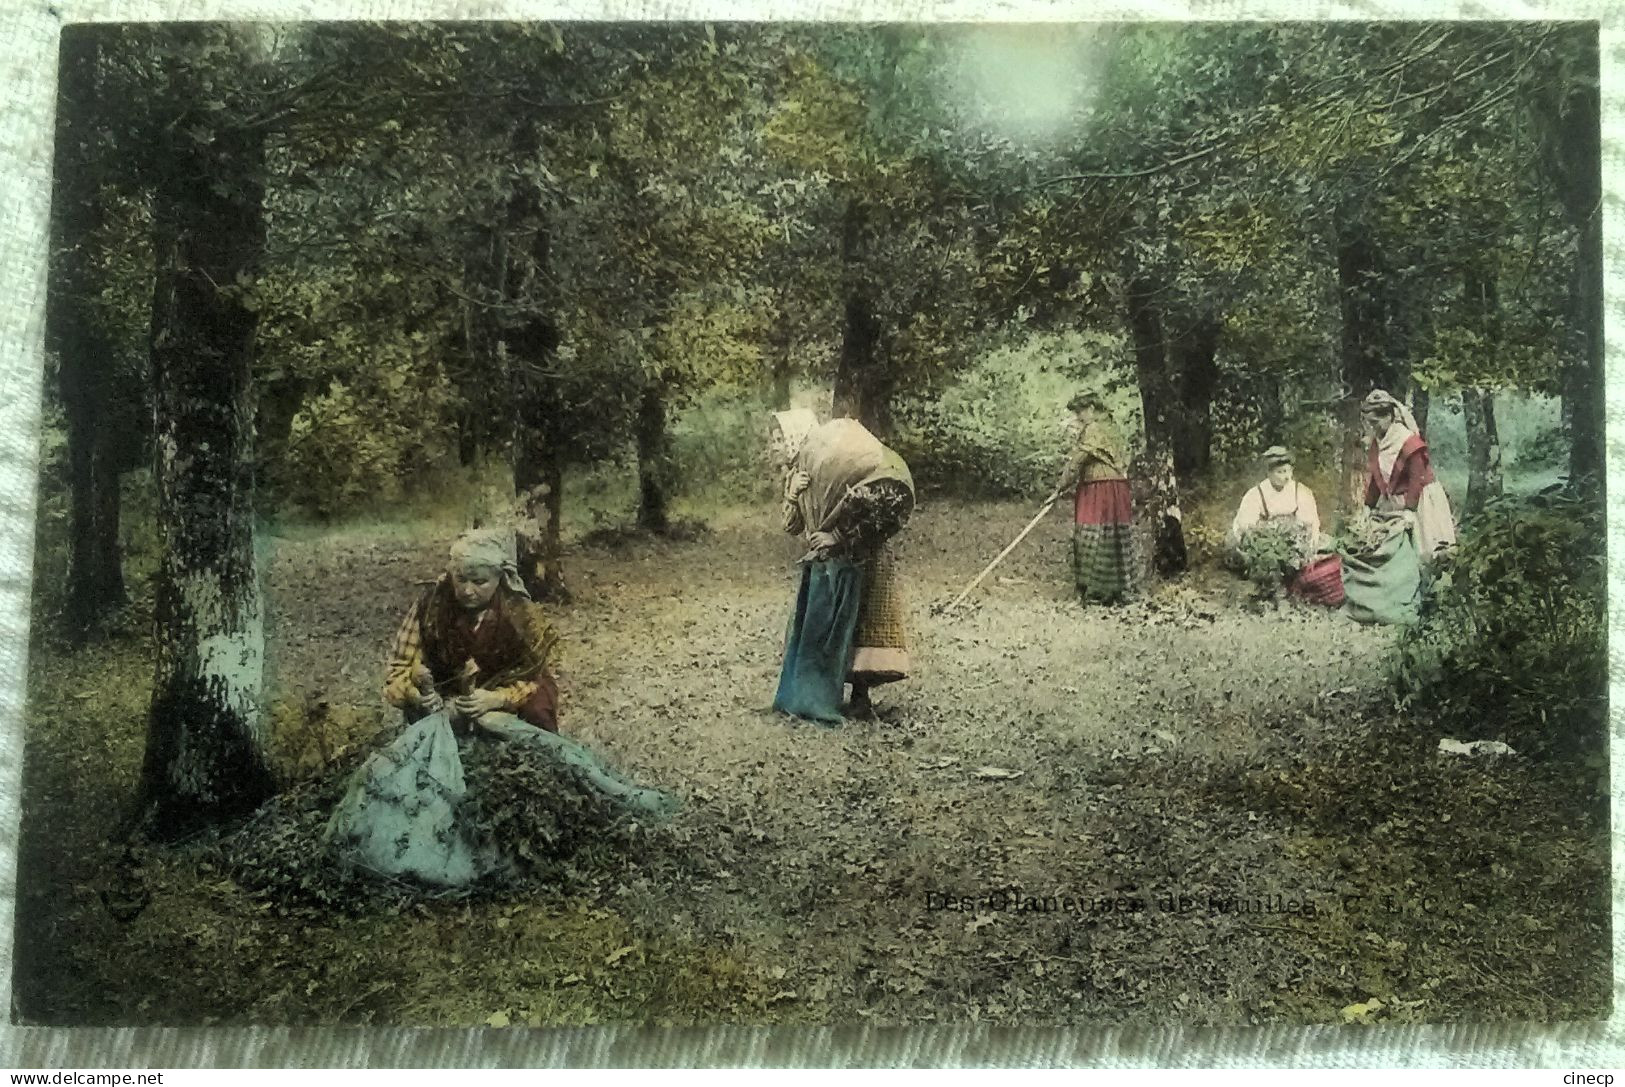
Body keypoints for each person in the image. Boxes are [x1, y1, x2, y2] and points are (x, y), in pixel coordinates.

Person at [771, 409, 915, 723]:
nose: (775, 444)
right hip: (825, 563)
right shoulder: (799, 473)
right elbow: (791, 526)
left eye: (780, 437)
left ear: (797, 437)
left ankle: (860, 699)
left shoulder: (834, 465)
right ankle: (821, 692)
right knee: (829, 626)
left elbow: (869, 505)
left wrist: (838, 535)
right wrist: (793, 494)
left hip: (863, 554)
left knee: (864, 621)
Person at [383, 528, 562, 733]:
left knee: (538, 708)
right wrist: (416, 695)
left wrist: (497, 699)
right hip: (449, 695)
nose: (468, 591)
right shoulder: (431, 606)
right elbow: (398, 667)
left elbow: (534, 677)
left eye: (479, 582)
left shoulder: (520, 613)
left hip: (506, 690)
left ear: (499, 578)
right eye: (461, 579)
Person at [1342, 389, 1457, 625]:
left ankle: (1436, 603)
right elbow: (1376, 478)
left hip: (1422, 499)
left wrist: (1409, 511)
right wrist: (1367, 506)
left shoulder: (1408, 441)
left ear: (1390, 417)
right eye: (1370, 422)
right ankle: (1405, 600)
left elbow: (1416, 479)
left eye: (1377, 421)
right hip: (1398, 499)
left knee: (1427, 549)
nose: (1374, 427)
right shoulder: (1377, 442)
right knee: (1401, 552)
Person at [1227, 446, 1343, 606]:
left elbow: (1310, 523)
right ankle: (1275, 590)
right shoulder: (1256, 494)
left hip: (1295, 542)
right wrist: (1268, 539)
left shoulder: (1300, 491)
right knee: (1263, 561)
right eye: (1280, 472)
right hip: (1266, 544)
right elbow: (1246, 528)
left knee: (1328, 551)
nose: (1286, 477)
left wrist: (1305, 545)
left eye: (1288, 471)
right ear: (1269, 473)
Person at [1055, 393, 1138, 604]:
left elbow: (1077, 461)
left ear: (1091, 408)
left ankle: (1097, 592)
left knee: (1091, 537)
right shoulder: (1112, 427)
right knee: (1111, 536)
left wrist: (1059, 487)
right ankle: (1117, 591)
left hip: (1099, 488)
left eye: (1080, 411)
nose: (1078, 416)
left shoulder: (1094, 429)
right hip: (1117, 487)